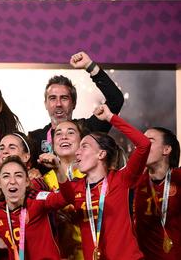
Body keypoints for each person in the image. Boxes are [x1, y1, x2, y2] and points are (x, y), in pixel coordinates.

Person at [59, 104, 151, 259]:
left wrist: (110, 117)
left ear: (101, 154)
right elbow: (56, 200)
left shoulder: (122, 179)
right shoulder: (76, 187)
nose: (77, 152)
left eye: (84, 146)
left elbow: (144, 144)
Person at [29, 51, 124, 158]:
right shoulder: (35, 139)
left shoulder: (88, 129)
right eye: (52, 98)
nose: (58, 104)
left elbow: (116, 100)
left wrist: (89, 66)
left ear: (74, 103)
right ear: (45, 104)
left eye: (64, 98)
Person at [0, 156, 71, 260]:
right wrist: (8, 244)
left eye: (18, 175)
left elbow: (66, 198)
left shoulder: (38, 200)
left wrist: (57, 169)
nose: (12, 181)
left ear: (27, 182)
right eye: (6, 176)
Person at [38, 120, 87, 260]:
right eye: (58, 134)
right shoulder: (43, 181)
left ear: (81, 142)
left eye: (71, 132)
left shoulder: (92, 175)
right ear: (52, 144)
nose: (64, 137)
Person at [133, 127, 180, 259]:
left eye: (149, 141)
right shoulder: (135, 182)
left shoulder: (179, 179)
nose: (142, 144)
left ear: (166, 150)